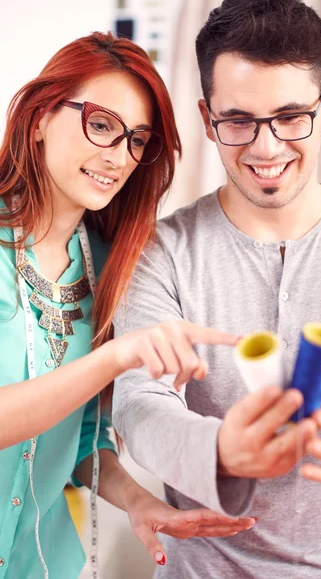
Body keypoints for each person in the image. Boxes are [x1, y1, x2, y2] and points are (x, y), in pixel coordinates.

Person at [112, 0, 321, 579]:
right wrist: (216, 451)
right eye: (239, 122)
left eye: (291, 117)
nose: (267, 148)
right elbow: (139, 402)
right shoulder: (158, 252)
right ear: (207, 121)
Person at [0, 32, 256, 579]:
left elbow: (83, 446)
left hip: (43, 566)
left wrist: (142, 504)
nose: (118, 157)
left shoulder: (109, 267)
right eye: (100, 124)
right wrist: (115, 358)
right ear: (41, 116)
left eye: (137, 140)